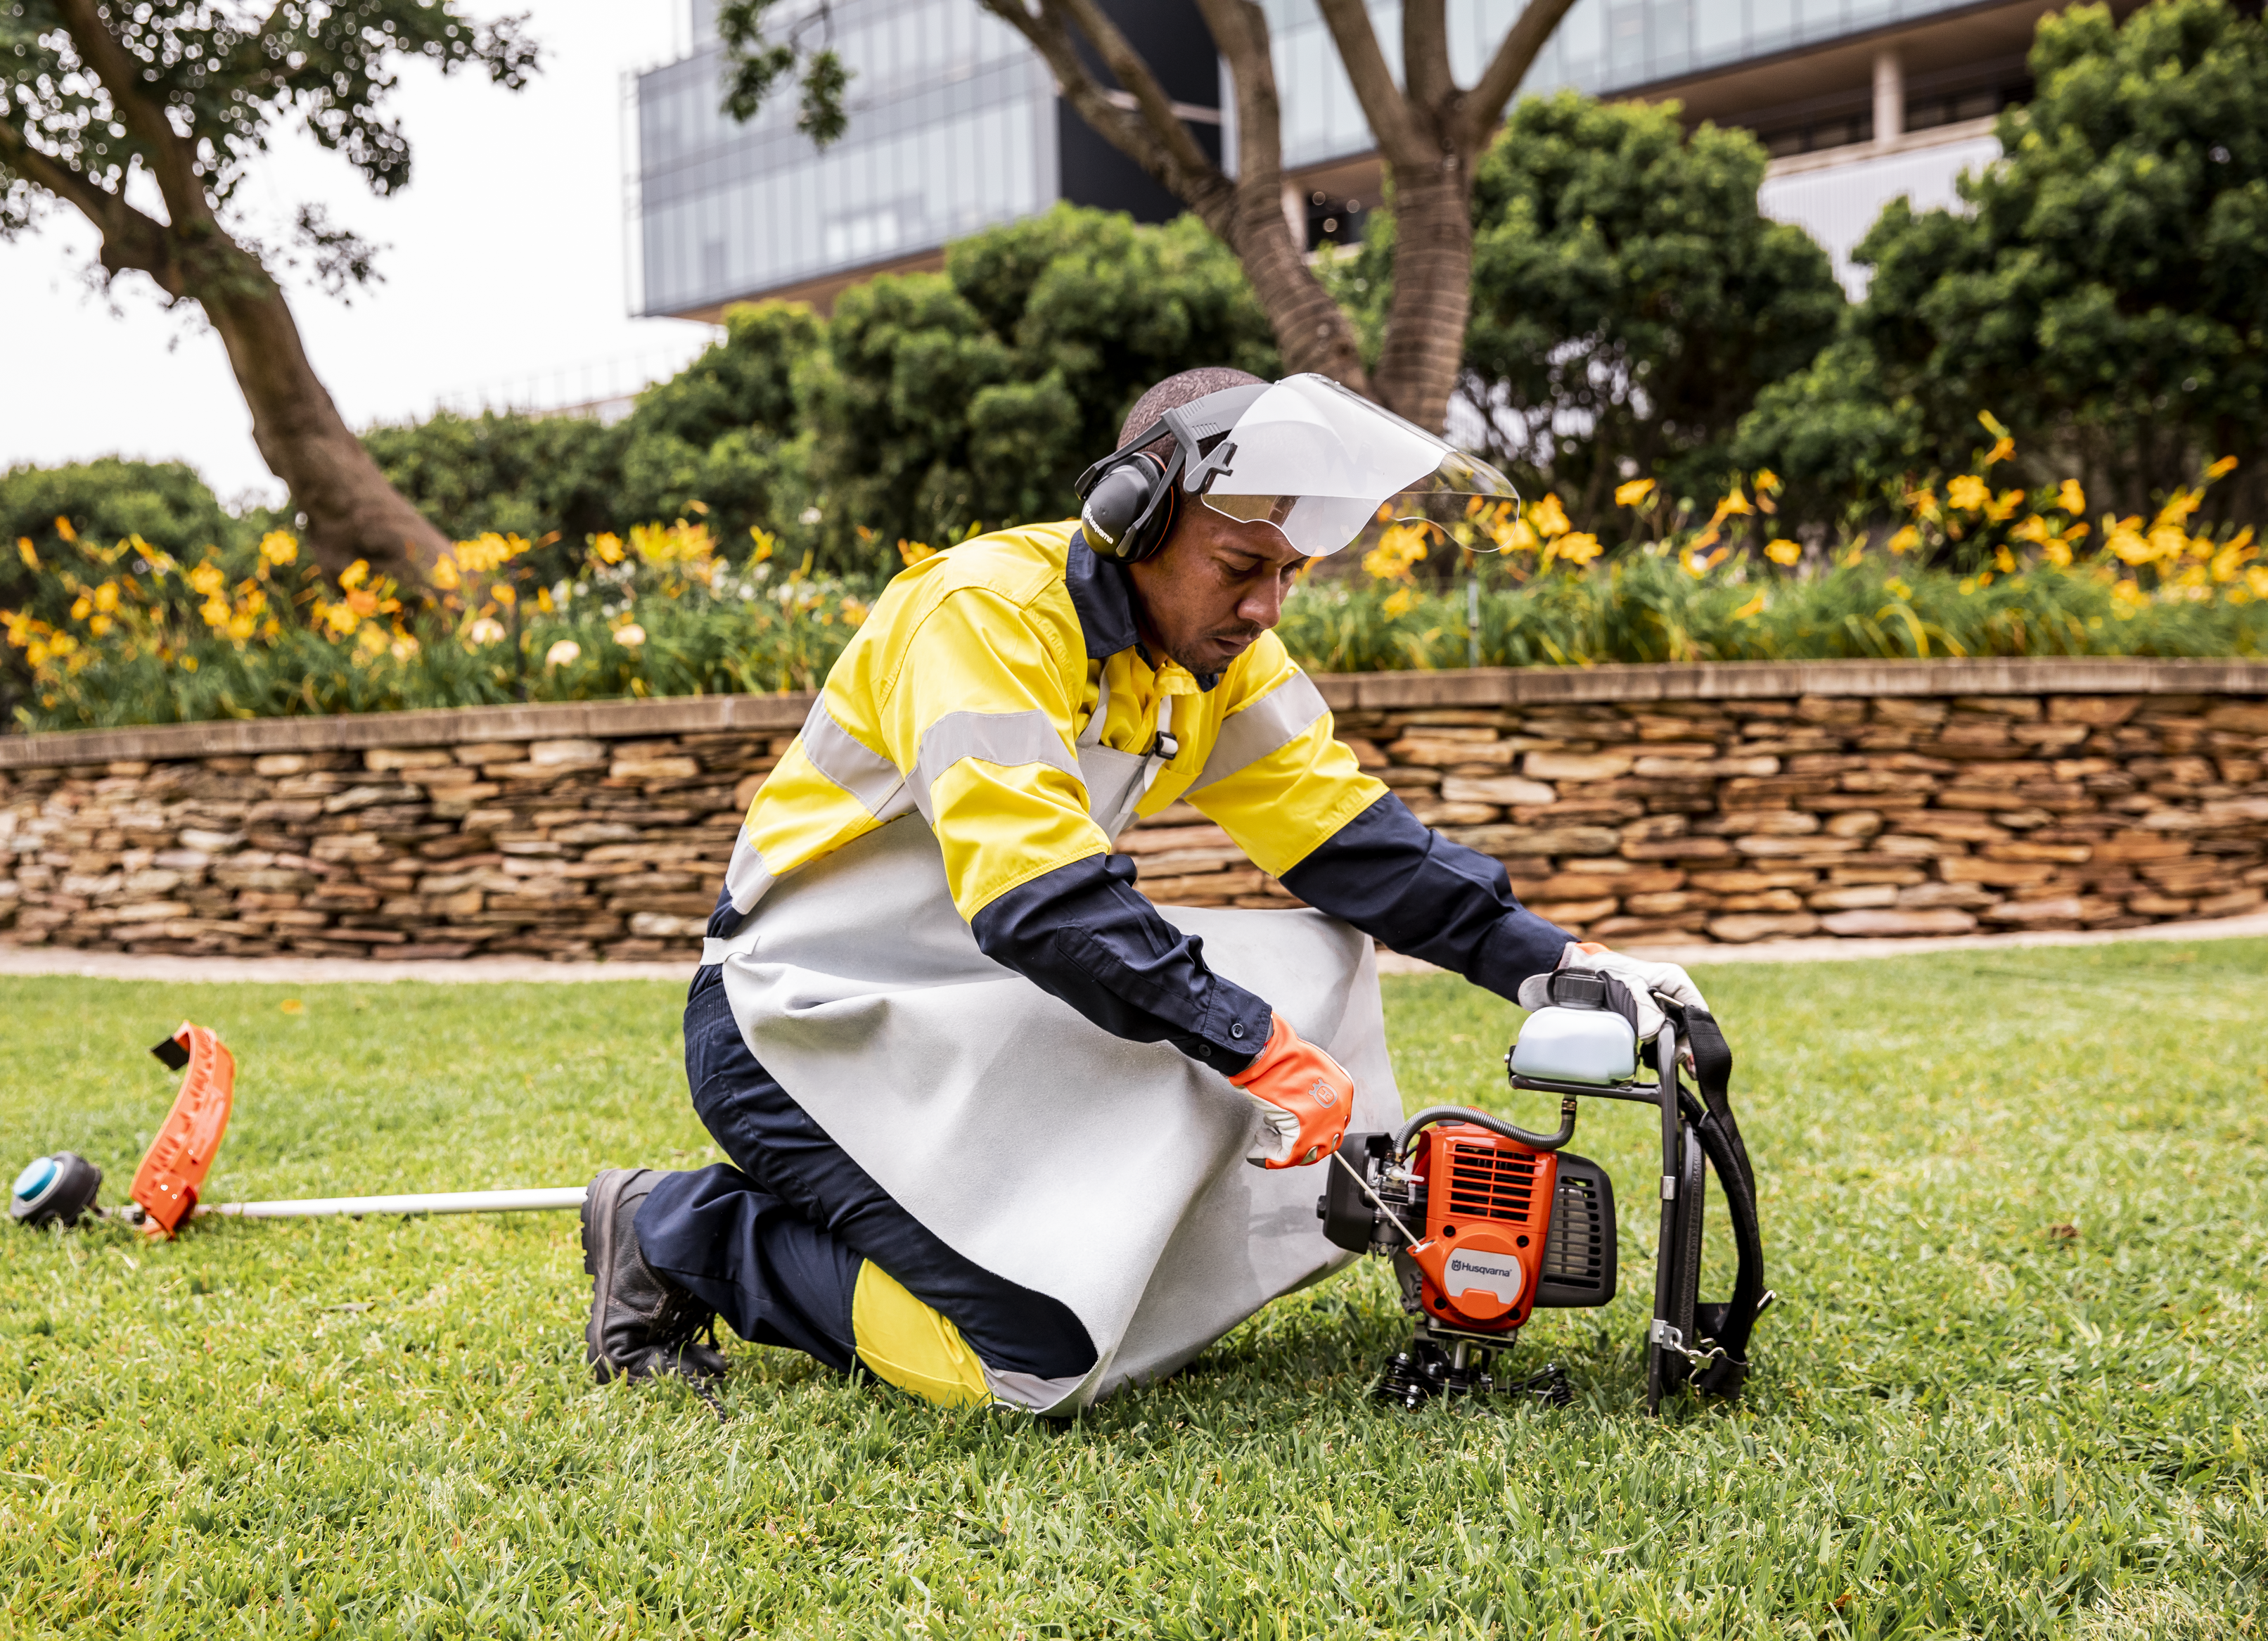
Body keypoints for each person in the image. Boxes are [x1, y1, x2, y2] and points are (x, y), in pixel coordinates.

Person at [579, 368, 1706, 1412]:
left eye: (1285, 576)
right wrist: (1256, 1048)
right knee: (1033, 1360)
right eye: (1239, 568)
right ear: (1133, 520)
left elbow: (1357, 844)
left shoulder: (1212, 658)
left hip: (975, 1014)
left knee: (1316, 952)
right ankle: (683, 1231)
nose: (1267, 609)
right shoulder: (984, 615)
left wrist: (1561, 968)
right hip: (800, 1022)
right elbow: (1044, 901)